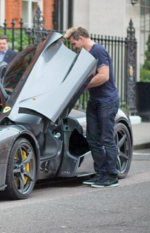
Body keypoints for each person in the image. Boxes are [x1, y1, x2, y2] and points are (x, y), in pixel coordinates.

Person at [64, 26, 120, 188]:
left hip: (106, 101)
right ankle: (100, 174)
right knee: (93, 139)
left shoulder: (98, 50)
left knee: (106, 139)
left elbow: (103, 76)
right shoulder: (87, 55)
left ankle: (111, 176)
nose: (74, 47)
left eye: (75, 43)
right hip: (95, 101)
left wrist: (82, 85)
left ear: (81, 38)